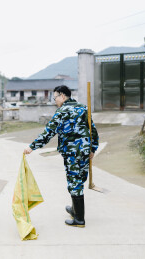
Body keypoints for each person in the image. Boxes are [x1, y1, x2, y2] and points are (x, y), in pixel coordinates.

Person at [23, 85, 99, 228]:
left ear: (63, 96)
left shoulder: (61, 112)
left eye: (55, 97)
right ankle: (75, 210)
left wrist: (31, 147)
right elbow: (92, 130)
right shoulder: (83, 108)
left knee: (74, 182)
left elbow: (48, 133)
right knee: (79, 180)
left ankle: (79, 220)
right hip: (84, 151)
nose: (55, 101)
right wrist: (93, 148)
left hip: (72, 153)